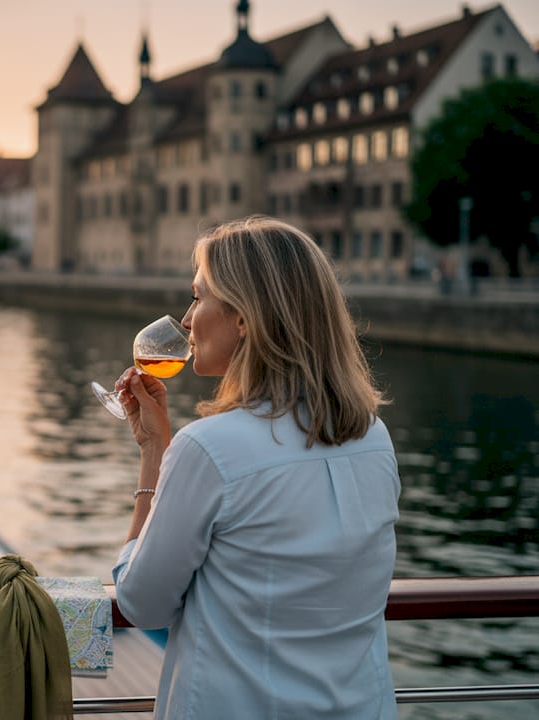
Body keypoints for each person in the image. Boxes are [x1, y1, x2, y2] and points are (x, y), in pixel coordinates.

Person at [110, 216, 400, 719]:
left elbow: (141, 603)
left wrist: (155, 456)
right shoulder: (373, 437)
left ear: (243, 319)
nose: (186, 318)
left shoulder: (209, 449)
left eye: (199, 297)